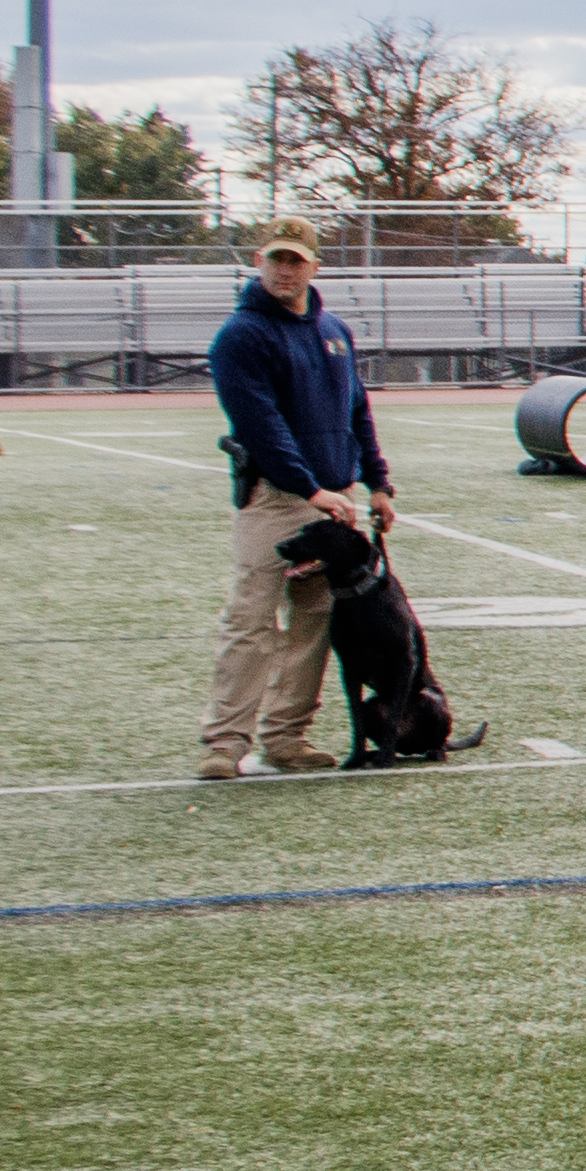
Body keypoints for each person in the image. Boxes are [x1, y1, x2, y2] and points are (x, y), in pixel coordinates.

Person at [199, 233, 389, 779]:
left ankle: (285, 738)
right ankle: (224, 744)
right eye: (276, 260)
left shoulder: (334, 332)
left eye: (296, 262)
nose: (286, 271)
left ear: (314, 268)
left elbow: (358, 410)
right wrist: (310, 490)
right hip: (278, 499)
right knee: (251, 619)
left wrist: (378, 483)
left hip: (333, 500)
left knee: (316, 620)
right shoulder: (240, 336)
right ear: (259, 263)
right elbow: (261, 426)